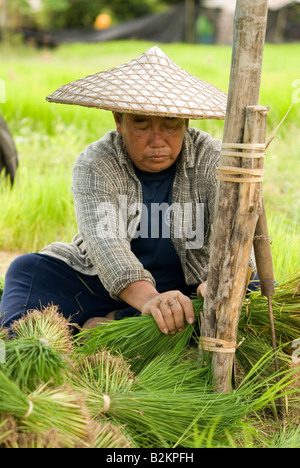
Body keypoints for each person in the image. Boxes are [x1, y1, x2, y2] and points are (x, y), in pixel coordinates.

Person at [0, 46, 254, 335]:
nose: (157, 140)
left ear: (186, 122)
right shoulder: (96, 163)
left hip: (193, 284)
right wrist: (151, 300)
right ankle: (123, 319)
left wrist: (223, 282)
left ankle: (113, 324)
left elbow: (239, 236)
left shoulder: (214, 159)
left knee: (252, 289)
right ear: (118, 121)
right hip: (108, 283)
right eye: (141, 124)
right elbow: (106, 247)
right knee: (27, 270)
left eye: (170, 124)